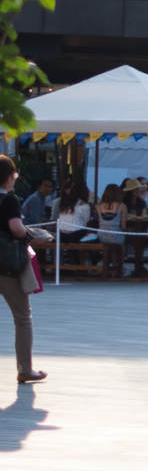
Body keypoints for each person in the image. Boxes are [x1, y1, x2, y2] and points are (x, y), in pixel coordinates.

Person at [1, 155, 47, 384]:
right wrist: (31, 235)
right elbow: (16, 228)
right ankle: (25, 369)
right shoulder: (9, 200)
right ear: (9, 177)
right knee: (22, 317)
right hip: (6, 266)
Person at [56, 177, 94, 243]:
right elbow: (86, 222)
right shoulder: (84, 205)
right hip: (76, 235)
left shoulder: (62, 204)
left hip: (61, 235)